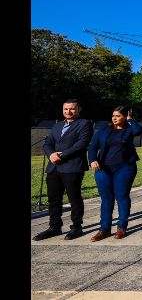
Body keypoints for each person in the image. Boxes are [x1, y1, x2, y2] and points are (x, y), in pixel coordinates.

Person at [33, 98, 92, 241]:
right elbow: (48, 143)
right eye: (66, 109)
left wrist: (62, 155)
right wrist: (51, 154)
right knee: (53, 199)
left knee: (74, 198)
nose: (68, 111)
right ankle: (55, 226)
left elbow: (81, 144)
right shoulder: (57, 125)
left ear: (78, 109)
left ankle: (76, 227)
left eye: (72, 108)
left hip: (72, 166)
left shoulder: (84, 124)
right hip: (54, 168)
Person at [88, 105, 142, 241]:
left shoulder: (130, 130)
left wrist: (130, 119)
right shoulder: (104, 131)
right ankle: (104, 229)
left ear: (125, 117)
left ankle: (121, 227)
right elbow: (92, 148)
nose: (114, 118)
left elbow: (139, 130)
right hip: (103, 169)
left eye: (118, 116)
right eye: (113, 116)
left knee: (121, 196)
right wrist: (93, 160)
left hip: (124, 168)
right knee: (106, 198)